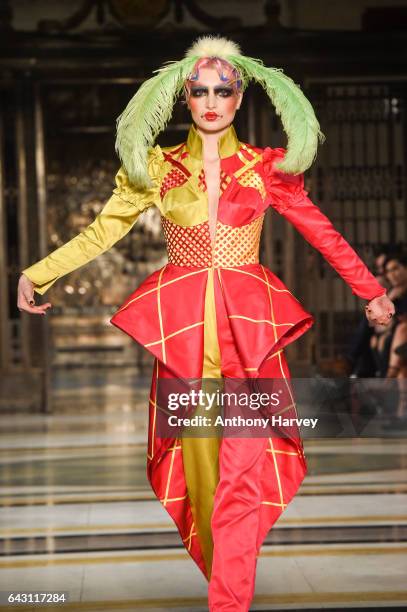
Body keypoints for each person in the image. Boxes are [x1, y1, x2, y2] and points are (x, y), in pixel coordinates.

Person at [17, 36, 394, 611]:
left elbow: (322, 232)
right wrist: (39, 273)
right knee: (200, 473)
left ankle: (229, 600)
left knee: (243, 465)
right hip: (185, 336)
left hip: (248, 334)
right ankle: (225, 576)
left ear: (239, 99)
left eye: (223, 90)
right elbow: (103, 231)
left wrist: (371, 291)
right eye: (200, 91)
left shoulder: (267, 168)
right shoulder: (157, 168)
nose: (212, 100)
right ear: (185, 99)